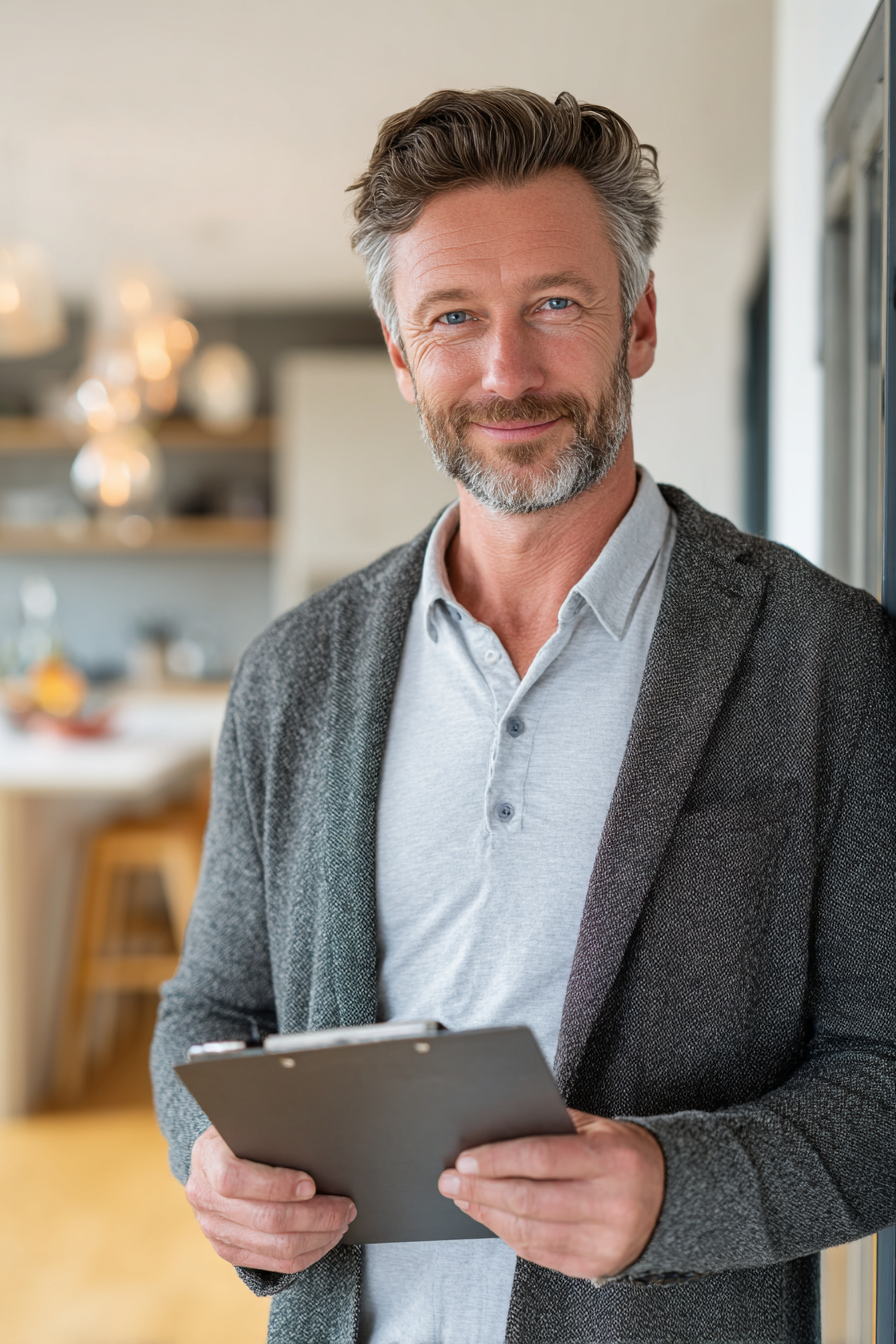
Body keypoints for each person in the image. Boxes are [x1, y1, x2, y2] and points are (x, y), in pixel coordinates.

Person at [151, 89, 896, 1344]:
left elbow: (881, 1068)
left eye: (555, 304)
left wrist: (676, 1192)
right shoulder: (292, 674)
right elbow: (210, 1010)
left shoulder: (826, 656)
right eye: (453, 318)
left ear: (638, 322)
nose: (506, 372)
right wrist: (212, 1165)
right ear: (400, 355)